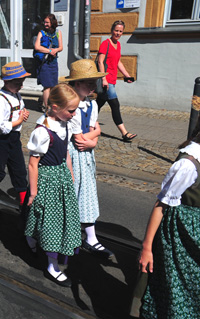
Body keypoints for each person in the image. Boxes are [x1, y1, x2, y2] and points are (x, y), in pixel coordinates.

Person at [138, 114, 200, 318]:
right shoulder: (188, 164)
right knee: (179, 286)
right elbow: (160, 205)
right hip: (182, 234)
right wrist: (147, 248)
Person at [24, 83, 81, 287]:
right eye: (71, 110)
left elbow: (65, 153)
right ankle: (51, 266)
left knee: (55, 218)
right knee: (51, 221)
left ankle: (31, 237)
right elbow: (32, 164)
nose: (74, 114)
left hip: (62, 178)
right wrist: (33, 192)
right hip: (47, 179)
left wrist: (71, 174)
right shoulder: (43, 132)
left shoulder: (64, 124)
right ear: (55, 107)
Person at [61, 59, 114, 260]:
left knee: (88, 192)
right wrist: (92, 139)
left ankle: (91, 236)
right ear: (75, 84)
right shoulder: (71, 105)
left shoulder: (91, 105)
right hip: (72, 155)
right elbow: (78, 138)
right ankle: (70, 233)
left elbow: (94, 131)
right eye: (87, 82)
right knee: (73, 193)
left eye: (94, 82)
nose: (92, 86)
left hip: (86, 155)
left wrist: (93, 141)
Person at [0, 62, 30, 214]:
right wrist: (18, 121)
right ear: (6, 82)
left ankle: (23, 202)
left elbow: (19, 109)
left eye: (21, 82)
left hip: (14, 138)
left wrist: (24, 113)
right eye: (17, 83)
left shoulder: (16, 94)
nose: (20, 86)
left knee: (19, 170)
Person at [97, 20, 136, 142]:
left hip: (112, 80)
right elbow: (100, 61)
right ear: (111, 30)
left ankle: (85, 122)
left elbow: (118, 61)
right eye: (116, 30)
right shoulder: (105, 44)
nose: (118, 33)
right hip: (106, 80)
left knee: (97, 104)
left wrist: (127, 75)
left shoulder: (118, 45)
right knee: (115, 105)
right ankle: (124, 133)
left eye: (120, 31)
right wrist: (103, 78)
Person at [33, 14, 63, 112]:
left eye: (47, 22)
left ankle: (41, 100)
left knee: (53, 85)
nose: (45, 24)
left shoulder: (58, 33)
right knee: (47, 86)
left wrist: (55, 50)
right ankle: (47, 108)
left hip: (53, 63)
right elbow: (37, 47)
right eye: (44, 22)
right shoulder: (41, 33)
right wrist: (50, 51)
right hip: (44, 63)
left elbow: (61, 47)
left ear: (52, 23)